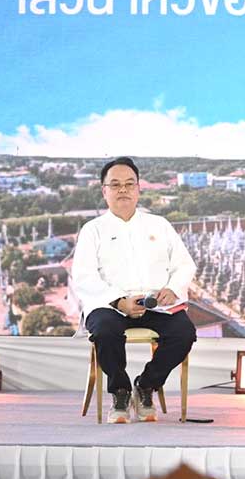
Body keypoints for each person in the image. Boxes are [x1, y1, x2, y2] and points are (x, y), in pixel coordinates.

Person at [71, 156, 197, 424]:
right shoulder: (93, 230)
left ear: (139, 189)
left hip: (155, 303)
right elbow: (83, 276)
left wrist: (172, 288)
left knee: (184, 333)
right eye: (115, 184)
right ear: (104, 191)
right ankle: (120, 391)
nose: (123, 190)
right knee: (105, 331)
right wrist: (119, 301)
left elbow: (184, 265)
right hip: (110, 305)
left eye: (129, 184)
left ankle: (146, 386)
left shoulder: (159, 225)